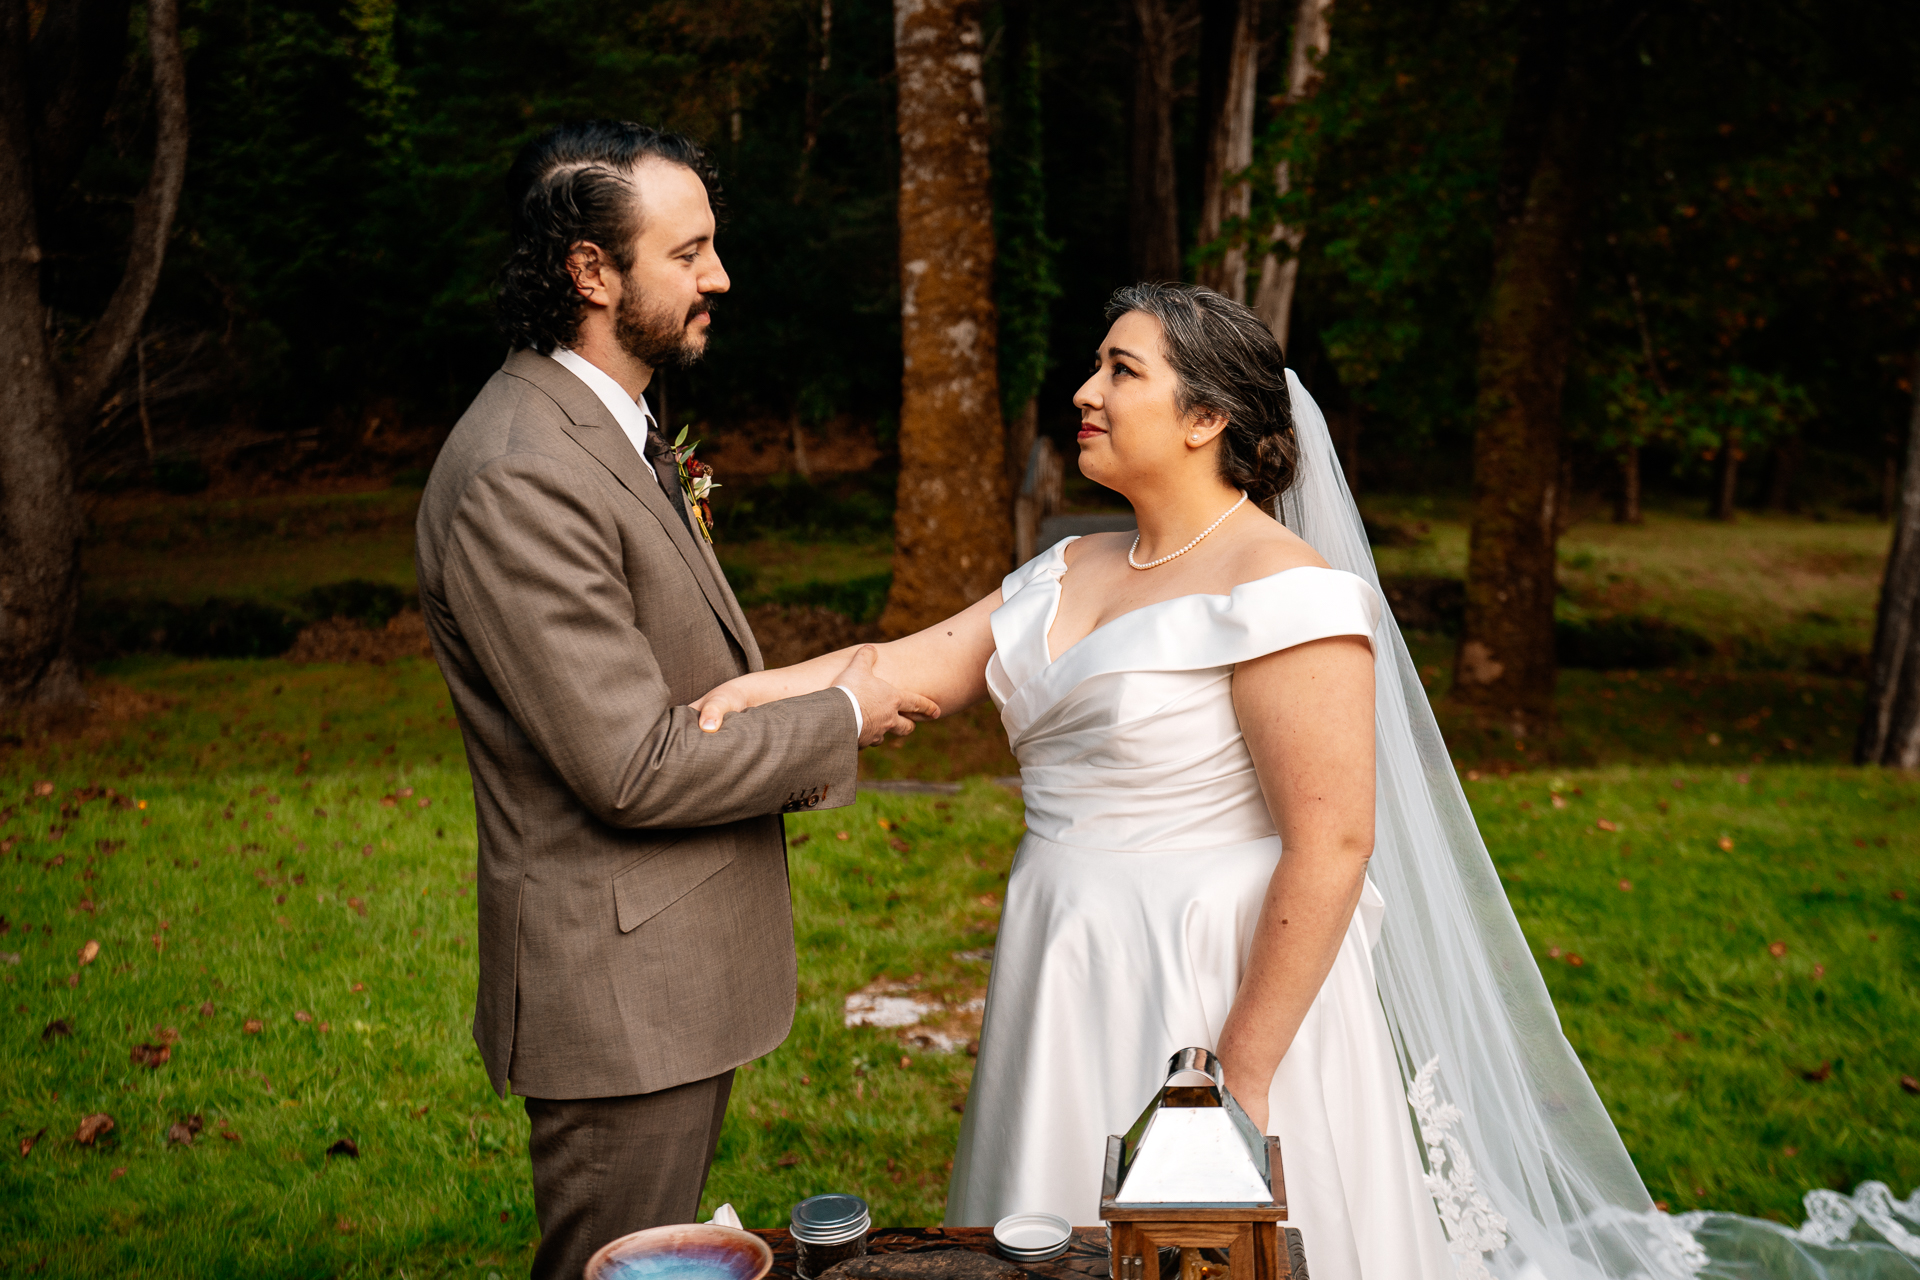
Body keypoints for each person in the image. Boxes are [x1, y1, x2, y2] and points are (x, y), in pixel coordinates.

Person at [694, 284, 1772, 1279]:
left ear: (1206, 418)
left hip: (1218, 974)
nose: (1086, 392)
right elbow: (904, 664)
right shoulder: (1070, 565)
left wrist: (1242, 1087)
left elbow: (1335, 839)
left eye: (1122, 370)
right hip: (1068, 947)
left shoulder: (1285, 590)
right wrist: (756, 690)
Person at [414, 119, 934, 1280]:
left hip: (669, 973)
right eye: (688, 251)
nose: (720, 275)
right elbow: (632, 764)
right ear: (589, 271)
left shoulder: (610, 426)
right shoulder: (519, 471)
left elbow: (696, 677)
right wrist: (849, 713)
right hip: (616, 998)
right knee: (618, 1267)